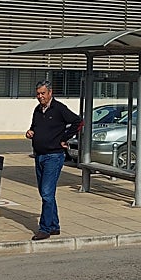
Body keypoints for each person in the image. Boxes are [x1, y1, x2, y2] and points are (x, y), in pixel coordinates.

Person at [25, 80, 81, 241]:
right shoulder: (38, 110)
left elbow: (78, 122)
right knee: (46, 192)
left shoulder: (59, 108)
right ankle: (54, 225)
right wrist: (30, 133)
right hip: (39, 155)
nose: (40, 96)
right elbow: (34, 127)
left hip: (54, 156)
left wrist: (64, 138)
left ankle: (45, 229)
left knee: (47, 193)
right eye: (38, 94)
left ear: (50, 93)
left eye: (43, 93)